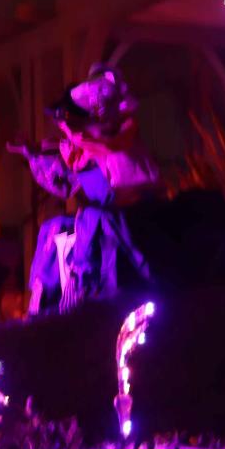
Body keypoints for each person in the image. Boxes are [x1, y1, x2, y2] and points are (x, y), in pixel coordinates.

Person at [24, 67, 159, 314]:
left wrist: (84, 140)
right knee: (53, 226)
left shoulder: (120, 132)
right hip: (107, 211)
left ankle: (81, 282)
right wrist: (34, 157)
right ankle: (43, 292)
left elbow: (116, 154)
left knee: (91, 219)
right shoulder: (79, 146)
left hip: (131, 210)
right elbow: (65, 187)